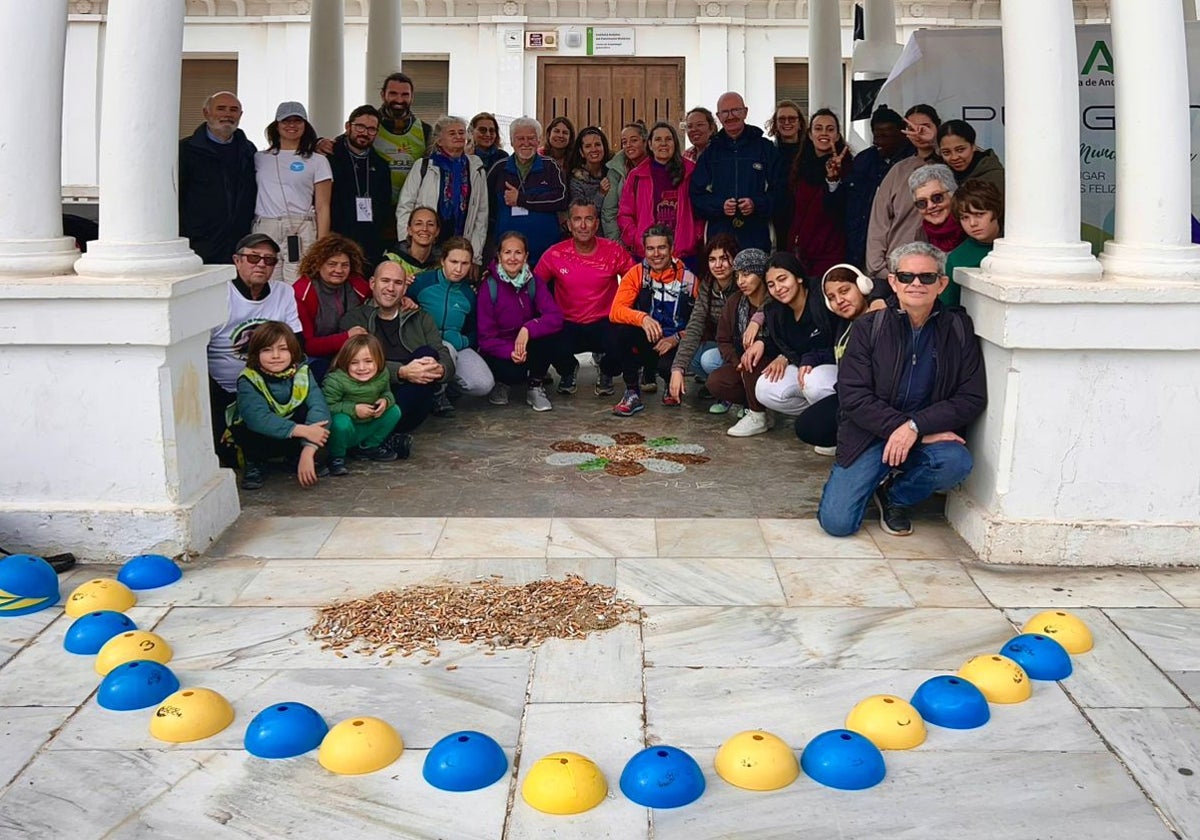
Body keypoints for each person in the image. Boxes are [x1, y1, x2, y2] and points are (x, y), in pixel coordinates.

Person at [817, 241, 986, 538]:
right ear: (893, 282)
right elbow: (853, 396)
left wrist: (917, 427)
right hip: (870, 435)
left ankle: (895, 495)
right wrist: (903, 427)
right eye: (907, 277)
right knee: (837, 523)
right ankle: (869, 477)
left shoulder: (958, 329)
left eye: (927, 277)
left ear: (942, 283)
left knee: (956, 461)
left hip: (922, 433)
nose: (916, 284)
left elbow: (970, 397)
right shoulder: (869, 327)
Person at [338, 261, 454, 448]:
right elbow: (348, 363)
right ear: (372, 283)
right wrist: (401, 372)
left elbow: (443, 353)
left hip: (410, 401)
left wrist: (440, 369)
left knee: (428, 353)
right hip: (371, 398)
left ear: (405, 288)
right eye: (385, 281)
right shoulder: (354, 319)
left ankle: (376, 433)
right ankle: (380, 436)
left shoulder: (421, 317)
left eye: (398, 283)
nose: (391, 288)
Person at [207, 233, 304, 455]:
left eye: (269, 260)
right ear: (236, 260)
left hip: (272, 385)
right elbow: (197, 352)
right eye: (253, 258)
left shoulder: (284, 292)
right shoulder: (218, 294)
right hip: (223, 389)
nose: (261, 264)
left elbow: (297, 344)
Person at [534, 199, 634, 397]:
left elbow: (636, 279)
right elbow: (533, 286)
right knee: (542, 332)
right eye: (577, 219)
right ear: (569, 225)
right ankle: (568, 369)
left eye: (588, 219)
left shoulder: (613, 251)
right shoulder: (554, 254)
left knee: (628, 334)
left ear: (597, 223)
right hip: (568, 322)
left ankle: (606, 371)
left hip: (604, 321)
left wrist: (626, 307)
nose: (583, 225)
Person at [228, 321, 330, 491]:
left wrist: (308, 450)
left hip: (290, 434)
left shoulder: (302, 372)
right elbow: (258, 419)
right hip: (259, 437)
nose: (275, 355)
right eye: (267, 350)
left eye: (283, 349)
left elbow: (320, 409)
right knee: (248, 428)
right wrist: (303, 431)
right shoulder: (248, 378)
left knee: (312, 418)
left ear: (293, 351)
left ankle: (297, 457)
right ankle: (254, 464)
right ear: (256, 353)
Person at [743, 252, 836, 435]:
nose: (778, 288)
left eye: (782, 279)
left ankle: (839, 427)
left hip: (836, 366)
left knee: (812, 381)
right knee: (764, 388)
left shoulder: (822, 298)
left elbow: (838, 343)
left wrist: (808, 358)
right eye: (771, 284)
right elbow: (789, 343)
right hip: (805, 367)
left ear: (799, 277)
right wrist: (763, 343)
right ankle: (820, 417)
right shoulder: (777, 311)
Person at [608, 225, 696, 415]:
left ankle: (669, 384)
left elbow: (702, 324)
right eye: (650, 249)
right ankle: (632, 391)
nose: (656, 254)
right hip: (648, 339)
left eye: (661, 248)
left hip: (675, 343)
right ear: (644, 250)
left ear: (671, 248)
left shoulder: (689, 280)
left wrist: (676, 338)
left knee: (667, 366)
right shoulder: (637, 273)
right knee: (620, 331)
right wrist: (642, 318)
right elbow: (615, 311)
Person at [477, 231, 564, 411]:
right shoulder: (489, 287)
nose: (513, 258)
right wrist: (511, 352)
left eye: (518, 252)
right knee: (512, 373)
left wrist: (528, 329)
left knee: (551, 336)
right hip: (502, 348)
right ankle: (502, 383)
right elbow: (486, 338)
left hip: (526, 342)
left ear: (526, 256)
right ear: (499, 256)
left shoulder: (533, 282)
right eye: (507, 252)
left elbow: (555, 317)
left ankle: (535, 386)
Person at [793, 263, 874, 456]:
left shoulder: (882, 319)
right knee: (807, 426)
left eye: (845, 290)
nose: (839, 300)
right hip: (850, 396)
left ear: (863, 286)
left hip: (874, 400)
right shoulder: (845, 324)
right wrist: (810, 358)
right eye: (832, 298)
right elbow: (836, 351)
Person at [408, 236, 496, 413]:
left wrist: (462, 340)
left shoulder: (468, 293)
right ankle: (436, 395)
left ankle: (447, 389)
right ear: (442, 261)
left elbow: (474, 331)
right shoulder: (421, 282)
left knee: (484, 384)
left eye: (465, 263)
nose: (458, 269)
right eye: (453, 261)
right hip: (423, 345)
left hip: (456, 347)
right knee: (446, 347)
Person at [689, 92, 781, 252]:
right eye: (725, 112)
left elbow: (781, 191)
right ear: (718, 116)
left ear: (745, 112)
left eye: (735, 110)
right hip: (719, 239)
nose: (730, 116)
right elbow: (696, 195)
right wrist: (720, 206)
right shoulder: (710, 153)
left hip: (757, 237)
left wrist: (756, 204)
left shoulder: (765, 149)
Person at [252, 101, 332, 283]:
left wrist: (323, 243)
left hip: (301, 227)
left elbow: (322, 206)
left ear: (305, 125)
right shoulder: (259, 158)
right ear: (276, 125)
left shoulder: (318, 161)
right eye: (286, 121)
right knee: (265, 282)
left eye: (297, 120)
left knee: (298, 284)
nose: (292, 125)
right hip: (266, 226)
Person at [396, 115, 489, 269]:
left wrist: (475, 256)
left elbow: (481, 215)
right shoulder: (423, 166)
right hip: (425, 246)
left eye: (461, 132)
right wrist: (408, 246)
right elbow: (405, 207)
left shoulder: (475, 169)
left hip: (460, 246)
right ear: (439, 140)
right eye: (452, 133)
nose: (459, 136)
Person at [178, 91, 257, 265]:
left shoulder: (248, 151)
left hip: (239, 244)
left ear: (240, 115)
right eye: (221, 108)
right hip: (198, 244)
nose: (227, 114)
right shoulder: (185, 151)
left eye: (233, 110)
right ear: (206, 113)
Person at [865, 104, 941, 280]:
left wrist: (936, 143)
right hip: (897, 269)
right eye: (911, 128)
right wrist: (880, 270)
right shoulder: (899, 171)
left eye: (925, 127)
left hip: (939, 267)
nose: (917, 133)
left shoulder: (953, 165)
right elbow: (879, 222)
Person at [833, 104, 913, 271]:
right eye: (875, 136)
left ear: (901, 134)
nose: (878, 141)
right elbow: (845, 205)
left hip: (900, 253)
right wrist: (834, 179)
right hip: (860, 251)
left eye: (885, 136)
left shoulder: (912, 163)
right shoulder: (863, 160)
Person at [668, 233, 740, 406]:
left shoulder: (742, 284)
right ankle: (719, 387)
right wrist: (678, 369)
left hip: (741, 348)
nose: (718, 265)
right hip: (722, 344)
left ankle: (735, 392)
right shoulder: (708, 285)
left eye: (724, 259)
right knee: (690, 356)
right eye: (712, 259)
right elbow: (695, 325)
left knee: (709, 359)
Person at [486, 117, 569, 267]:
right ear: (512, 142)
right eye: (520, 138)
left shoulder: (550, 166)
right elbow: (487, 208)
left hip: (545, 254)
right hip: (508, 256)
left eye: (531, 138)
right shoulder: (499, 168)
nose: (526, 143)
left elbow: (561, 199)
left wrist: (522, 199)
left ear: (539, 141)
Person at [618, 122, 703, 262]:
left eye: (668, 139)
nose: (663, 143)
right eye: (658, 139)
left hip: (684, 254)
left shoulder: (690, 171)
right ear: (650, 145)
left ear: (675, 143)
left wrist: (695, 236)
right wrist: (637, 238)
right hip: (648, 253)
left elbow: (700, 209)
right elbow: (625, 213)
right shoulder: (637, 175)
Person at [704, 248, 772, 423]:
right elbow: (723, 339)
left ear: (762, 275)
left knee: (753, 364)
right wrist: (737, 362)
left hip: (772, 363)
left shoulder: (775, 301)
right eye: (737, 276)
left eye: (747, 275)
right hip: (744, 362)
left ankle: (760, 414)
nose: (741, 281)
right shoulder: (735, 302)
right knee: (716, 381)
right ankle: (750, 404)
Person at [321, 334, 403, 476]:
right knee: (340, 422)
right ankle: (336, 457)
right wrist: (353, 410)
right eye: (354, 363)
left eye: (368, 361)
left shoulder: (382, 374)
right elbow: (326, 407)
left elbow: (387, 392)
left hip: (369, 422)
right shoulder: (335, 380)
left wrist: (385, 400)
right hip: (347, 428)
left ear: (378, 360)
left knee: (394, 411)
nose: (362, 368)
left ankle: (368, 447)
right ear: (345, 362)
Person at [292, 233, 372, 378]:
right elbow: (307, 346)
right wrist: (345, 337)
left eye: (345, 265)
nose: (339, 270)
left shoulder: (357, 284)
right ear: (318, 264)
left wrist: (403, 300)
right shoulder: (302, 292)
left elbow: (383, 294)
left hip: (350, 353)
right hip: (314, 357)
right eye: (332, 264)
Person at [324, 105, 392, 272]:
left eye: (371, 129)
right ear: (348, 126)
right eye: (360, 127)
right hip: (337, 240)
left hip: (370, 245)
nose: (365, 133)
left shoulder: (381, 166)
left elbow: (384, 207)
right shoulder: (329, 158)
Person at [788, 108, 851, 278]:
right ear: (809, 134)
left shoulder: (848, 167)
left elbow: (839, 210)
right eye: (818, 128)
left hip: (830, 254)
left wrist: (833, 179)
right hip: (799, 252)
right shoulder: (800, 165)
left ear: (837, 136)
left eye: (830, 129)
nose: (824, 133)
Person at [371, 72, 433, 215]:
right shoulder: (370, 124)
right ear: (382, 95)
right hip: (375, 209)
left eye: (405, 95)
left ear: (412, 97)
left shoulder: (425, 130)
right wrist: (321, 143)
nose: (399, 99)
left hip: (412, 210)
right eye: (393, 93)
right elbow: (346, 144)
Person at [942, 179, 1003, 306]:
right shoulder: (957, 258)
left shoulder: (1017, 246)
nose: (972, 223)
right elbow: (949, 306)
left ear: (996, 211)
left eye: (979, 214)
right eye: (965, 217)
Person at [767, 100, 807, 249]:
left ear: (800, 123)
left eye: (792, 119)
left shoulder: (810, 152)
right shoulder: (769, 152)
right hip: (778, 218)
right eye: (782, 119)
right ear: (775, 124)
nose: (787, 123)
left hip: (805, 217)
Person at [602, 122, 648, 242]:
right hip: (625, 239)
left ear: (645, 141)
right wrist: (616, 243)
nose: (628, 145)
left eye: (633, 140)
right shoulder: (616, 169)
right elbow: (609, 211)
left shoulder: (657, 166)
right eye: (624, 142)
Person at [937, 119, 1005, 195]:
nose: (954, 157)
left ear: (973, 146)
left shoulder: (996, 178)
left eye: (960, 150)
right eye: (946, 152)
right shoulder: (938, 180)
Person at [910, 164, 966, 256]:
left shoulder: (970, 226)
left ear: (952, 195)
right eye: (922, 203)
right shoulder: (921, 234)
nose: (930, 206)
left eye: (937, 198)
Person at [385, 205, 441, 278]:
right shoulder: (391, 260)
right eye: (418, 224)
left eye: (430, 224)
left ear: (437, 231)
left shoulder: (442, 263)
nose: (424, 229)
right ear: (409, 230)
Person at [567, 126, 612, 212]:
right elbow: (582, 212)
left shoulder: (613, 171)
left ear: (604, 147)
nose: (594, 149)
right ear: (581, 152)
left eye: (597, 144)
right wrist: (601, 193)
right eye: (588, 146)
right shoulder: (576, 180)